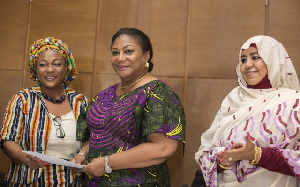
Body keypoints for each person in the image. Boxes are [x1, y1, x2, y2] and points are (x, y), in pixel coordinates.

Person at [74, 27, 186, 186]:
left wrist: (107, 163)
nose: (120, 58)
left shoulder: (158, 93)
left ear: (146, 56)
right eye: (115, 53)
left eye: (128, 51)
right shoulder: (104, 95)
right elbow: (98, 135)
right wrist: (82, 154)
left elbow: (162, 149)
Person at [195, 35, 300, 186]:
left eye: (255, 57)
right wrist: (227, 157)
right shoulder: (233, 99)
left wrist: (257, 155)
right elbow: (205, 152)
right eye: (243, 60)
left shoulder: (292, 102)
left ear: (274, 60)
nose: (247, 64)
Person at [0, 37, 89, 186]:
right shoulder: (22, 99)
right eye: (42, 64)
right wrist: (25, 158)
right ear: (35, 68)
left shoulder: (81, 102)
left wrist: (82, 155)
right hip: (29, 181)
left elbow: (91, 139)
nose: (49, 70)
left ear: (66, 67)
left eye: (56, 64)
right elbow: (7, 140)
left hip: (71, 181)